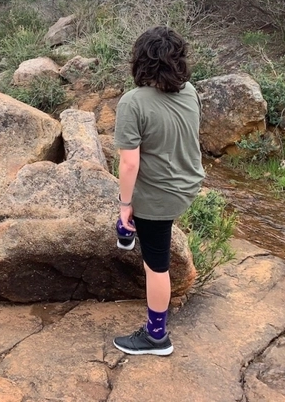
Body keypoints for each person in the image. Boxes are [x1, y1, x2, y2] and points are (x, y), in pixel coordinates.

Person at [112, 25, 205, 356]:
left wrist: (125, 206)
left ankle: (156, 337)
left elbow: (128, 165)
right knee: (146, 229)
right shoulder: (190, 91)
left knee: (156, 266)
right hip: (188, 183)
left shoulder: (133, 102)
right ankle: (129, 232)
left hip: (161, 196)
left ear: (140, 61)